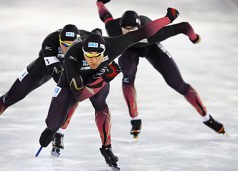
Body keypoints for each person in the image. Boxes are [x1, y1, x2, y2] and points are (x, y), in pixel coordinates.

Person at [38, 7, 179, 168]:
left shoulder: (116, 44)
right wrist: (103, 78)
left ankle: (107, 147)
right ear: (82, 51)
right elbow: (79, 95)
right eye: (88, 56)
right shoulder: (71, 56)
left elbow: (145, 32)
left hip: (98, 74)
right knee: (52, 122)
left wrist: (168, 18)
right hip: (75, 76)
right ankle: (55, 129)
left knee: (101, 105)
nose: (92, 61)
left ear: (105, 51)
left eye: (97, 56)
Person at [0, 24, 101, 147]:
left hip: (68, 67)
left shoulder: (84, 40)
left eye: (71, 44)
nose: (67, 48)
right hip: (41, 69)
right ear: (59, 41)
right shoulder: (49, 42)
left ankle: (60, 133)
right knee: (9, 98)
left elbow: (99, 36)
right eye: (64, 45)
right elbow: (56, 74)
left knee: (75, 94)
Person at [96, 0, 226, 139]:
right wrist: (100, 3)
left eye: (133, 30)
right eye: (125, 30)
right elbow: (106, 16)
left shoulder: (153, 33)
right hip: (129, 50)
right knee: (127, 78)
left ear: (139, 27)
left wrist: (194, 37)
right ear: (120, 26)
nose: (129, 34)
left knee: (179, 85)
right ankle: (135, 119)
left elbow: (184, 26)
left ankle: (207, 118)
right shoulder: (113, 28)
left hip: (151, 46)